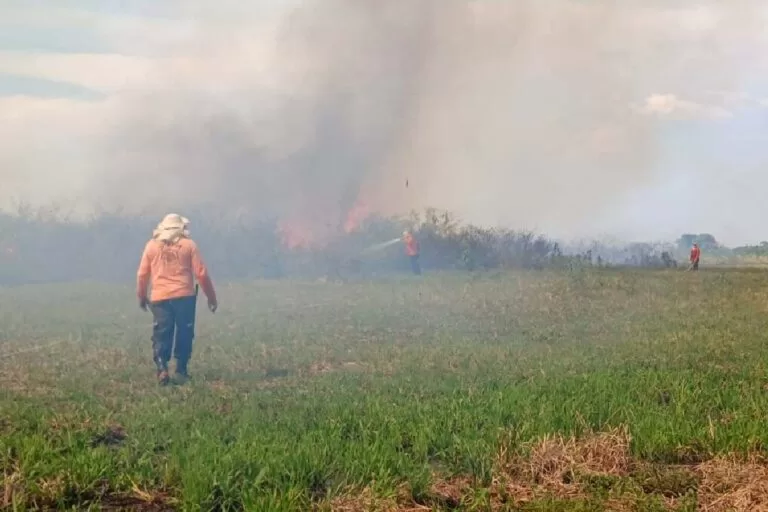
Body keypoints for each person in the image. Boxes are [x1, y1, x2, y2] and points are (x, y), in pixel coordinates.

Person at [137, 214, 218, 385]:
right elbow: (201, 273)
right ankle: (181, 369)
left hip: (160, 298)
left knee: (161, 333)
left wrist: (142, 296)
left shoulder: (151, 246)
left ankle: (161, 368)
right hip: (184, 296)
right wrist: (211, 297)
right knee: (184, 332)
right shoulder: (188, 245)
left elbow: (142, 274)